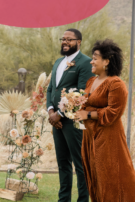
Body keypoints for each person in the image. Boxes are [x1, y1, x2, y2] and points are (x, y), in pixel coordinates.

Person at [75, 39, 135, 202]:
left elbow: (113, 112)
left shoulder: (116, 84)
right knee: (95, 178)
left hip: (108, 140)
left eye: (95, 58)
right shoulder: (91, 81)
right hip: (90, 138)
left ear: (107, 61)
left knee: (110, 178)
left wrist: (87, 114)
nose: (91, 61)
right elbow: (84, 104)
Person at [46, 28, 94, 202]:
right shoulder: (58, 62)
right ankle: (63, 199)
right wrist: (51, 111)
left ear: (79, 42)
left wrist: (60, 114)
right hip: (56, 121)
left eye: (69, 39)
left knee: (80, 164)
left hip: (73, 122)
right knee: (63, 164)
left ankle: (83, 199)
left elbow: (82, 93)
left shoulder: (85, 63)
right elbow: (51, 88)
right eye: (63, 39)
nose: (65, 42)